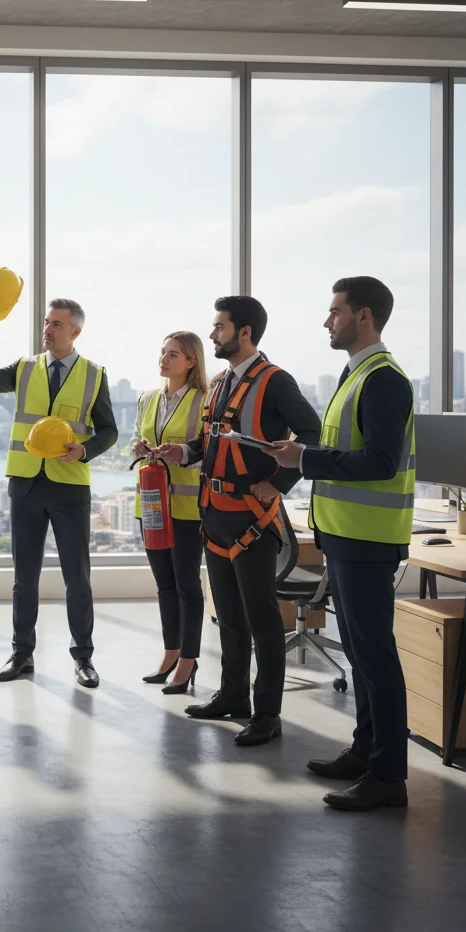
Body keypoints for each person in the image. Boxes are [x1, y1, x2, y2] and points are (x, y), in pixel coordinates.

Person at [266, 277, 413, 811]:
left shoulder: (383, 380)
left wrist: (301, 460)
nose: (326, 322)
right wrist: (301, 452)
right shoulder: (355, 377)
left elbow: (379, 462)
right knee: (358, 652)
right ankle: (366, 750)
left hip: (368, 541)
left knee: (375, 656)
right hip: (346, 536)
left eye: (335, 312)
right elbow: (343, 452)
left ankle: (389, 777)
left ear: (364, 317)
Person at [155, 296, 321, 744]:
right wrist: (184, 452)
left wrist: (281, 482)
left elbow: (312, 433)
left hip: (252, 516)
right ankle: (232, 696)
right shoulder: (220, 383)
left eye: (219, 327)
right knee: (228, 614)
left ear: (244, 332)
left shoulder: (275, 382)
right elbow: (208, 439)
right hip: (215, 514)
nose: (212, 334)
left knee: (262, 618)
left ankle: (267, 713)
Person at [0, 299, 118, 688]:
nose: (47, 329)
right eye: (46, 322)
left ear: (75, 332)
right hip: (25, 483)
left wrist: (84, 450)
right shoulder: (25, 367)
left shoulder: (94, 374)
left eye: (56, 324)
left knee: (77, 578)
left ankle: (83, 658)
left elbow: (109, 431)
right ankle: (21, 653)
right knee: (24, 577)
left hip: (69, 486)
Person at [132, 332, 207, 694]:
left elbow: (207, 449)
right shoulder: (148, 398)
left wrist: (177, 450)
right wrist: (139, 446)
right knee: (165, 586)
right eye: (163, 352)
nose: (164, 359)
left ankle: (189, 661)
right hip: (150, 504)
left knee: (187, 585)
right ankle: (170, 653)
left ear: (191, 361)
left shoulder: (203, 400)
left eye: (173, 354)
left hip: (187, 507)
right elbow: (135, 437)